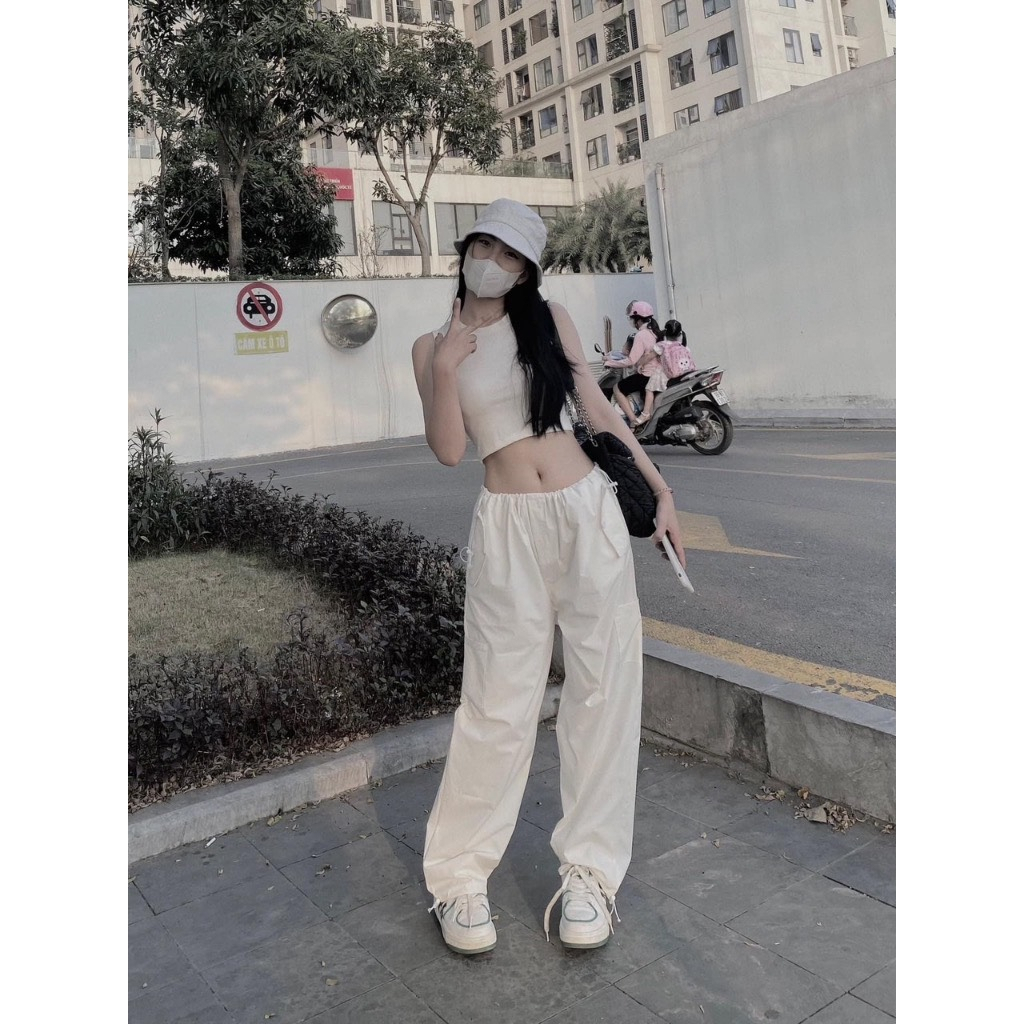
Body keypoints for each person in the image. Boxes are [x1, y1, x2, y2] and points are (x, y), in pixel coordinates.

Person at [411, 199, 686, 957]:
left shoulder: (549, 321)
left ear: (527, 271)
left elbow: (600, 412)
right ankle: (458, 878)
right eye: (485, 245)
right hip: (507, 527)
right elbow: (448, 450)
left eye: (511, 255)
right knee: (495, 703)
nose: (493, 262)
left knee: (604, 691)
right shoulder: (429, 347)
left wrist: (660, 491)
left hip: (587, 511)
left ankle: (591, 874)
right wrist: (445, 367)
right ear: (467, 248)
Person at [603, 301, 663, 429]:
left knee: (617, 388)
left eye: (632, 318)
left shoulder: (641, 335)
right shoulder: (655, 332)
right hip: (659, 374)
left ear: (638, 319)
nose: (631, 321)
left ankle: (633, 421)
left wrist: (609, 362)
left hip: (647, 376)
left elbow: (631, 360)